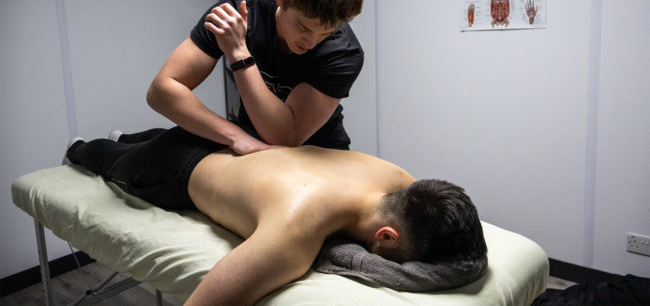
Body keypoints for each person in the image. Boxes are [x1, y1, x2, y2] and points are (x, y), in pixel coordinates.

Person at [64, 128, 487, 306]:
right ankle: (82, 146)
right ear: (387, 238)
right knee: (106, 156)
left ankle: (131, 137)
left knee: (147, 136)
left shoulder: (401, 179)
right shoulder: (296, 228)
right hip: (173, 168)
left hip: (232, 140)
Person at [146, 0, 366, 155]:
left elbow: (285, 138)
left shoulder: (344, 52)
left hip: (319, 151)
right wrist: (235, 136)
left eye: (325, 33)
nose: (311, 42)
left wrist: (239, 53)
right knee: (164, 146)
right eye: (303, 27)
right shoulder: (238, 14)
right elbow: (160, 91)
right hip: (250, 142)